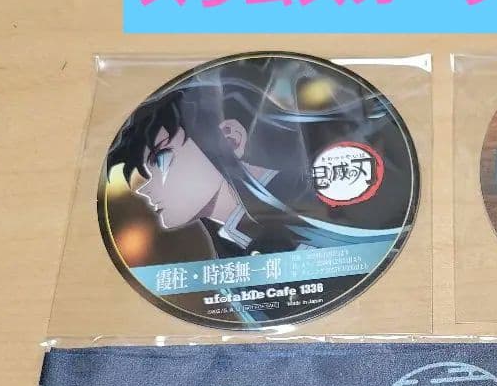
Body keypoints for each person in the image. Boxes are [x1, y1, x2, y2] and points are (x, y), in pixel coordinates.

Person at [105, 59, 406, 259]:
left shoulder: (318, 199)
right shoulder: (231, 248)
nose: (144, 189)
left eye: (161, 160)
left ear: (231, 139)